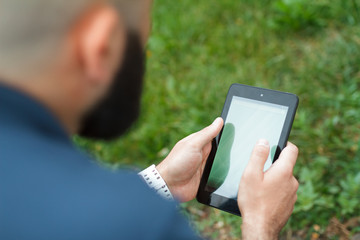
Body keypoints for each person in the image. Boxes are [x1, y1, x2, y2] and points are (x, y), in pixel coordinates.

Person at [0, 0, 299, 239]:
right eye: (140, 44)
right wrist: (260, 225)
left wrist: (163, 180)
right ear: (98, 46)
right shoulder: (140, 224)